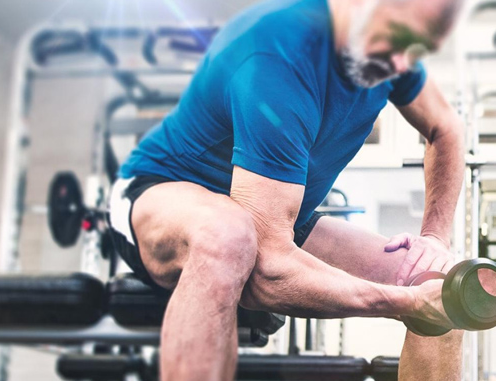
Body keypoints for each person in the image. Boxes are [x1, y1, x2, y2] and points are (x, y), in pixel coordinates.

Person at [109, 0, 466, 379]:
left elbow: (446, 129)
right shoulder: (279, 55)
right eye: (395, 39)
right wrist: (405, 301)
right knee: (227, 238)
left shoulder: (393, 55)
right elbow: (269, 270)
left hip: (267, 216)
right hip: (158, 193)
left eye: (416, 49)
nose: (400, 64)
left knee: (444, 292)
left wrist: (435, 241)